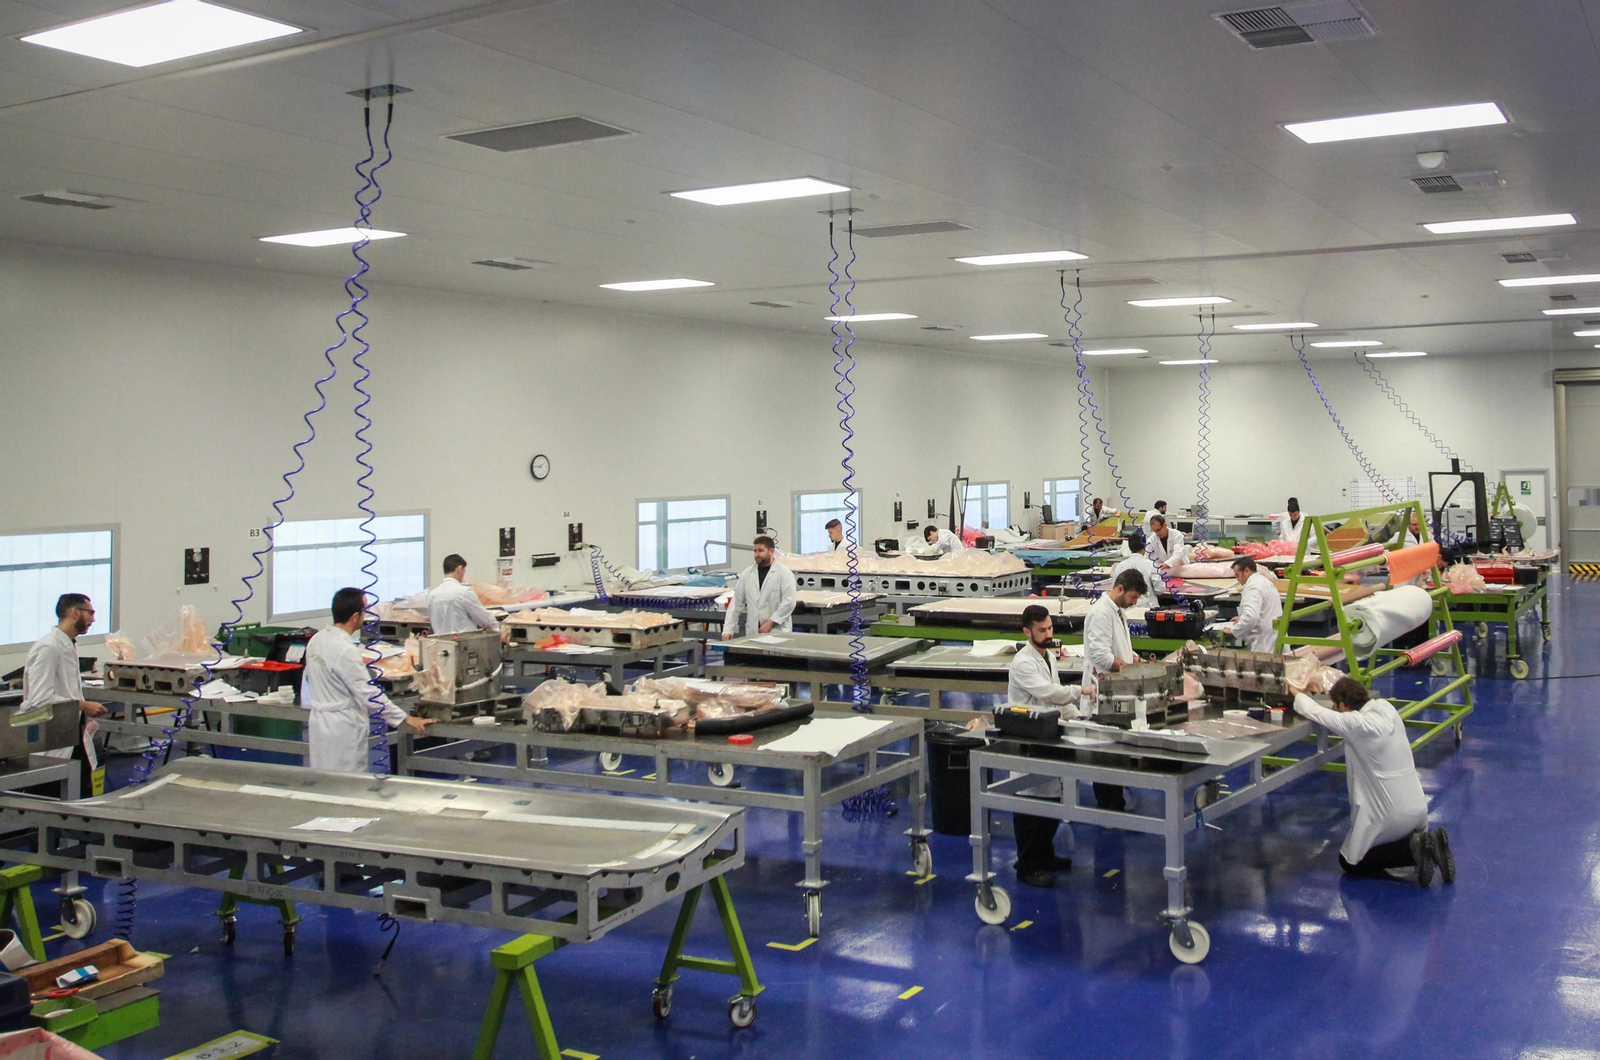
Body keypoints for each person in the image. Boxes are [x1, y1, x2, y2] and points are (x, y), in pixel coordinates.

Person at [1293, 677, 1453, 886]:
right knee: (1379, 839)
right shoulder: (1386, 708)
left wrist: (1296, 692)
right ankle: (1429, 842)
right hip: (1418, 810)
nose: (1335, 708)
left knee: (1350, 862)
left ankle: (1414, 849)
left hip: (1391, 816)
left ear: (1342, 705)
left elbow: (1316, 712)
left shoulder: (1356, 724)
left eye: (1336, 705)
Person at [303, 587, 434, 772]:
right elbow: (369, 695)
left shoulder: (316, 640)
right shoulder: (345, 650)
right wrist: (404, 718)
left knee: (324, 778)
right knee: (348, 783)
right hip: (343, 727)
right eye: (365, 611)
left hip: (319, 723)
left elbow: (310, 677)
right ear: (355, 616)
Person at [1005, 605, 1086, 887]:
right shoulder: (1023, 662)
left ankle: (1045, 854)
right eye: (1042, 630)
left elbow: (1057, 699)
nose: (1048, 634)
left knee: (1051, 796)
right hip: (1028, 736)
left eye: (1050, 627)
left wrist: (1083, 718)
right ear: (1027, 632)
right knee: (1029, 801)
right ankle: (1027, 867)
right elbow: (1049, 693)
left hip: (1048, 732)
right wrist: (1079, 691)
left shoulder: (1048, 655)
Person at [20, 594, 108, 796]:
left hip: (70, 732)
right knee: (51, 795)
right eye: (90, 613)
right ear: (74, 612)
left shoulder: (67, 644)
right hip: (53, 739)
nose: (93, 619)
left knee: (81, 790)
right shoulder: (48, 647)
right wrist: (82, 706)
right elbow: (40, 698)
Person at [1083, 569, 1147, 811]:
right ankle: (1108, 810)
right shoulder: (1101, 613)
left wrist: (1132, 657)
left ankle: (1115, 803)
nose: (1134, 602)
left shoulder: (1118, 611)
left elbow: (1115, 646)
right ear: (1119, 589)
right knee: (1105, 754)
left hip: (1116, 691)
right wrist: (1128, 669)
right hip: (1104, 692)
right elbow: (1100, 655)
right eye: (1133, 596)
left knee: (1116, 751)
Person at [721, 536, 797, 639]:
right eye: (755, 551)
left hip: (777, 631)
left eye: (761, 551)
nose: (757, 554)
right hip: (753, 632)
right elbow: (736, 604)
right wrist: (728, 630)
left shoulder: (784, 573)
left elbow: (789, 602)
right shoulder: (747, 574)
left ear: (771, 551)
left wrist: (771, 622)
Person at [426, 554, 500, 635]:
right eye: (464, 572)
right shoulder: (464, 592)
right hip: (464, 643)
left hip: (441, 644)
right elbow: (483, 618)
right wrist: (497, 630)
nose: (463, 576)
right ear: (459, 569)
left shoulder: (432, 595)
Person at [1228, 556, 1283, 654]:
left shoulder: (1253, 587)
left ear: (1246, 571)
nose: (1237, 580)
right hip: (1274, 636)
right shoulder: (1264, 581)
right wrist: (1242, 618)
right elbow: (1263, 610)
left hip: (1264, 643)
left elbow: (1251, 616)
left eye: (1237, 575)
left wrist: (1233, 631)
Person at [1110, 530, 1160, 610]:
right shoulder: (1151, 565)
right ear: (1144, 547)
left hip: (1125, 610)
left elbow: (1115, 589)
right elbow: (1159, 589)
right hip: (1147, 609)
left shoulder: (1120, 566)